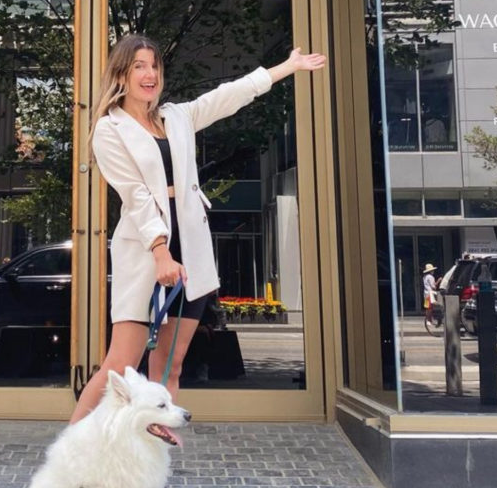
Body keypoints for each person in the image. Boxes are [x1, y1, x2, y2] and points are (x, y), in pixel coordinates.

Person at [71, 35, 325, 415]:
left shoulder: (176, 116)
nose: (149, 73)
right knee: (120, 367)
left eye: (154, 65)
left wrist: (286, 68)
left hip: (191, 251)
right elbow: (136, 196)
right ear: (121, 73)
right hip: (145, 254)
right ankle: (72, 454)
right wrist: (160, 253)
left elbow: (226, 96)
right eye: (139, 65)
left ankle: (151, 465)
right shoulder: (110, 128)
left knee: (169, 367)